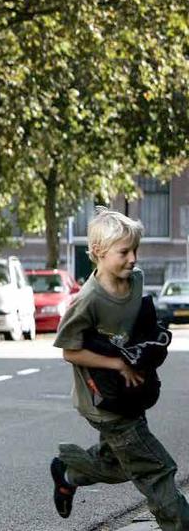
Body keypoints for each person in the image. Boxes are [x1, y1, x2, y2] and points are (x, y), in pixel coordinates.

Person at [49, 208, 189, 529]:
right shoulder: (88, 300)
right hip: (104, 403)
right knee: (154, 469)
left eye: (135, 251)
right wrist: (117, 363)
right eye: (124, 252)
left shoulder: (135, 280)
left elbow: (140, 324)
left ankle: (68, 473)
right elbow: (70, 351)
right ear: (98, 252)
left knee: (119, 463)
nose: (133, 259)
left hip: (130, 395)